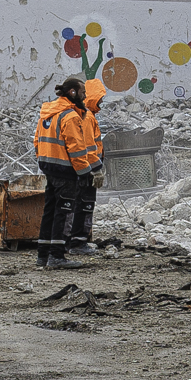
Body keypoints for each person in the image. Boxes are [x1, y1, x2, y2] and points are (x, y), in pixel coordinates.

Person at [32, 78, 96, 269]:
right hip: (65, 171)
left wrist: (44, 161)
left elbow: (37, 141)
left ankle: (42, 256)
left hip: (49, 168)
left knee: (49, 211)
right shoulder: (70, 116)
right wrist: (85, 173)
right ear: (73, 93)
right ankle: (57, 256)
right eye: (83, 92)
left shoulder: (47, 114)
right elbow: (76, 149)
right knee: (64, 212)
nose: (85, 96)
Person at [67, 79, 107, 254]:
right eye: (99, 98)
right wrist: (96, 169)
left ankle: (72, 240)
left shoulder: (82, 114)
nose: (101, 102)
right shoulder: (87, 117)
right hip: (87, 169)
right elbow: (89, 148)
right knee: (85, 204)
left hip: (81, 168)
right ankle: (78, 242)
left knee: (78, 204)